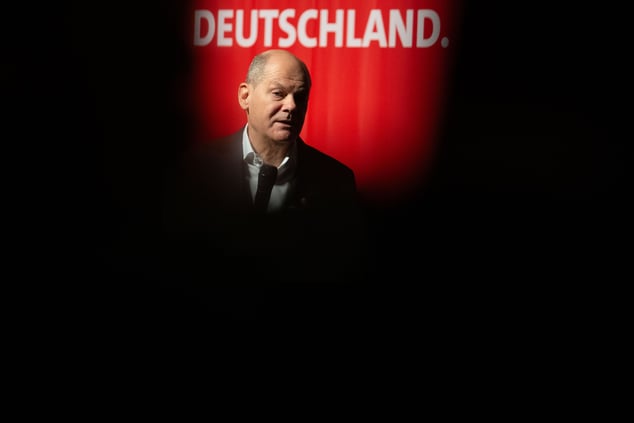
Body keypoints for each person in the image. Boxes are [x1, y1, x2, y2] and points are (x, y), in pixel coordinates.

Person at [159, 49, 368, 316]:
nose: (292, 106)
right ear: (245, 96)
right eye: (279, 93)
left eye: (300, 97)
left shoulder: (336, 181)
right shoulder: (195, 170)